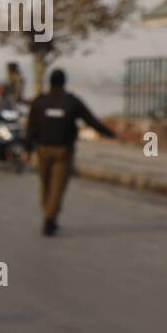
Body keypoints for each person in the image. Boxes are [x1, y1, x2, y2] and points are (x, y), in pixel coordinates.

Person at [23, 68, 117, 236]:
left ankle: (48, 215)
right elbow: (91, 121)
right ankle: (50, 218)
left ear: (50, 82)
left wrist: (27, 150)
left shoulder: (40, 102)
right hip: (63, 151)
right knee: (57, 186)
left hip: (42, 150)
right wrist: (111, 134)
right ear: (64, 82)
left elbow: (31, 127)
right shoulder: (71, 101)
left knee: (45, 184)